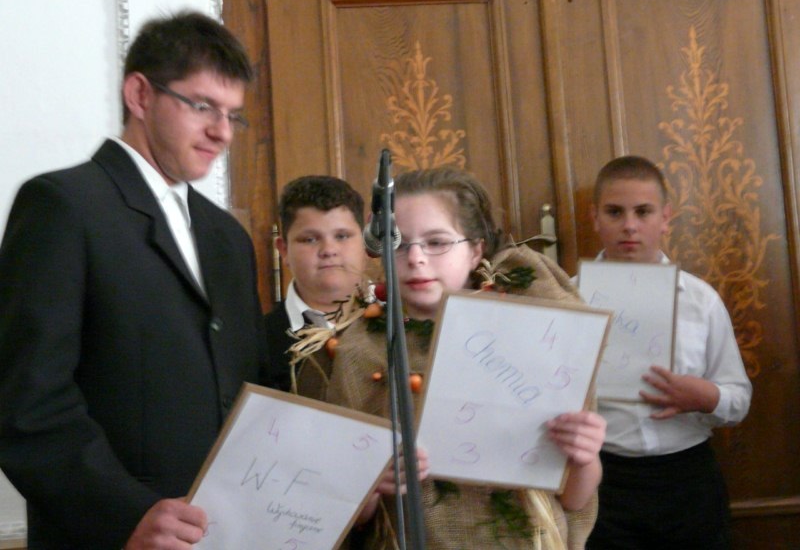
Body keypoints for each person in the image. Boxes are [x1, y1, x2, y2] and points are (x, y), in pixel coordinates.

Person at [0, 11, 269, 549]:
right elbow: (26, 402)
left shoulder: (228, 238)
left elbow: (250, 393)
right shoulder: (62, 206)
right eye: (203, 106)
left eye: (233, 116)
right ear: (140, 95)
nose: (222, 132)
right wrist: (127, 515)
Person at [291, 167, 606, 549]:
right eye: (400, 243)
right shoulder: (355, 352)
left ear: (475, 250)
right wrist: (372, 484)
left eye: (437, 242)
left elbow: (574, 499)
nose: (416, 258)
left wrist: (585, 456)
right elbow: (340, 511)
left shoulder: (531, 336)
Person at [584, 155, 752, 549]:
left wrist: (706, 396)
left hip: (688, 480)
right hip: (604, 482)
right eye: (615, 212)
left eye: (643, 211)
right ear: (595, 218)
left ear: (665, 217)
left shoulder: (701, 301)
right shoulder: (568, 299)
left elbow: (740, 398)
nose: (629, 225)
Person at [264, 175, 368, 391]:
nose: (329, 250)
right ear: (284, 250)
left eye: (342, 236)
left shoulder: (400, 326)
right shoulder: (257, 341)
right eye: (310, 239)